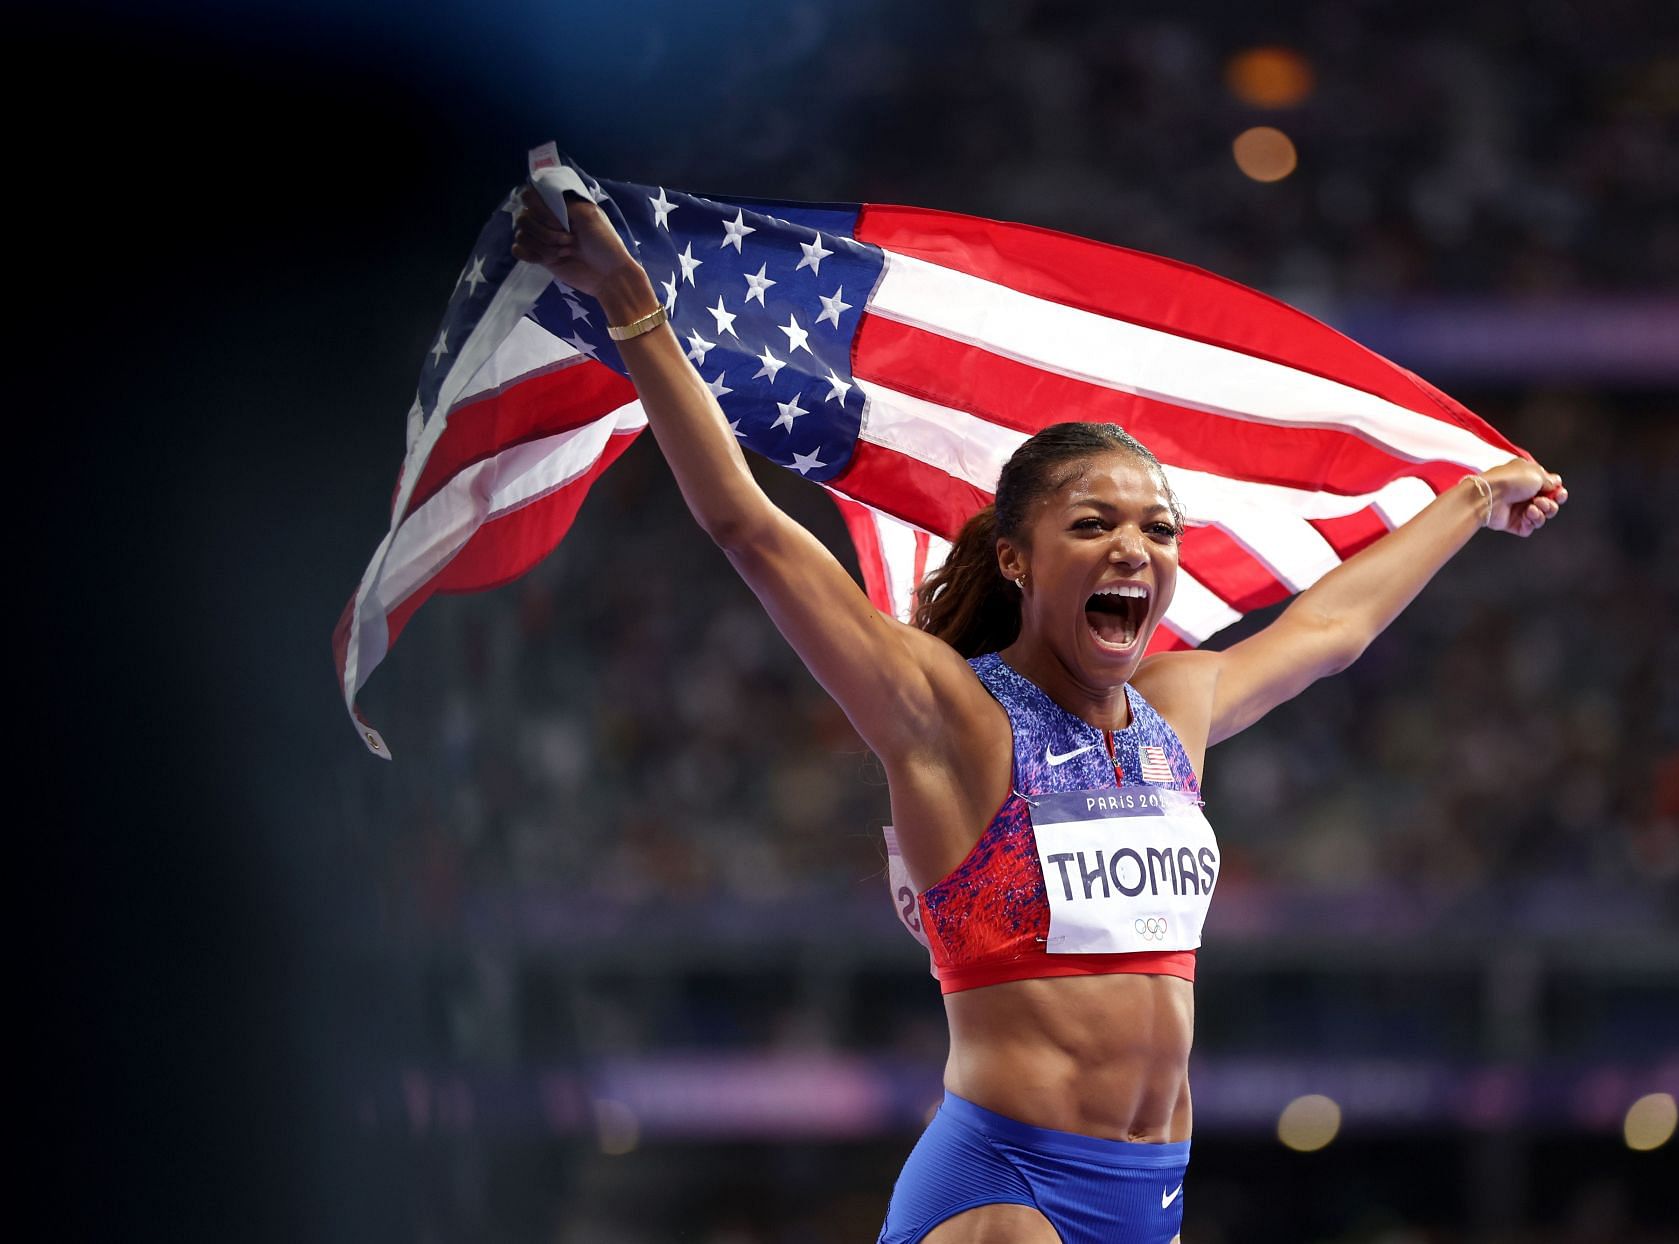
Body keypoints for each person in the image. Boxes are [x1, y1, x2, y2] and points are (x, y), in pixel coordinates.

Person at [510, 187, 1567, 1244]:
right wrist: (632, 304)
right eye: (1094, 522)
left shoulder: (1173, 704)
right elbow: (752, 528)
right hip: (1008, 1191)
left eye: (1159, 527)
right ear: (1016, 558)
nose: (1135, 547)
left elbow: (1331, 632)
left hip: (1150, 1193)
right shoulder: (951, 716)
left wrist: (1472, 499)